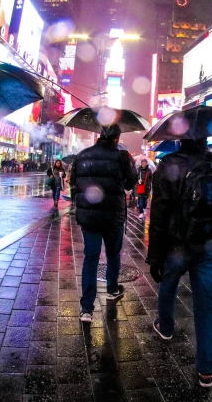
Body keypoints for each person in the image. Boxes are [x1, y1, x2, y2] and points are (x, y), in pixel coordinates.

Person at [147, 138, 212, 389]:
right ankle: (206, 370)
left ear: (180, 137)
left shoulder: (169, 163)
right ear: (206, 138)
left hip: (177, 244)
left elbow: (159, 212)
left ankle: (165, 327)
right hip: (210, 244)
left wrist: (154, 254)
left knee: (169, 284)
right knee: (205, 304)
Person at [70, 127, 137, 322]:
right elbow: (130, 184)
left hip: (89, 216)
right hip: (113, 215)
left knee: (90, 259)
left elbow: (74, 182)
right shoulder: (122, 157)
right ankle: (112, 289)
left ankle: (86, 309)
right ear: (116, 138)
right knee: (112, 254)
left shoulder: (82, 155)